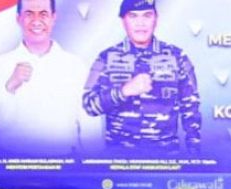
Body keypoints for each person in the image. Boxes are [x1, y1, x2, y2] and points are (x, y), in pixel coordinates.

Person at [82, 0, 202, 154]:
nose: (141, 23)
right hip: (119, 161)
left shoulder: (177, 57)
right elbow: (89, 106)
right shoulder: (106, 58)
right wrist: (124, 91)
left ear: (155, 19)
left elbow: (191, 108)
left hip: (166, 159)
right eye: (133, 16)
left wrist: (194, 155)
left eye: (147, 15)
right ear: (123, 21)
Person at [0, 0, 96, 153]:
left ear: (53, 18)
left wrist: (93, 160)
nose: (36, 21)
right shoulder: (0, 65)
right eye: (29, 14)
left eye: (43, 14)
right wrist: (10, 86)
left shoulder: (75, 65)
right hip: (13, 166)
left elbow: (89, 120)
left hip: (65, 164)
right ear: (18, 19)